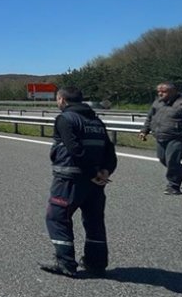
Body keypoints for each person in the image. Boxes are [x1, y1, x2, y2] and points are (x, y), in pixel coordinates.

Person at [40, 87, 118, 278]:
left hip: (70, 180)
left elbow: (74, 148)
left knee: (57, 218)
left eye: (57, 99)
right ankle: (97, 263)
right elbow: (109, 149)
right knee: (94, 220)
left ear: (63, 100)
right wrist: (105, 171)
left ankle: (65, 262)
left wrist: (91, 173)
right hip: (97, 183)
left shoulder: (65, 119)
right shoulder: (96, 121)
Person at [138, 82, 182, 195]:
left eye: (163, 91)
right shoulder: (157, 103)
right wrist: (144, 131)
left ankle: (173, 186)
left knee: (172, 161)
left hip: (177, 137)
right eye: (159, 91)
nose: (160, 93)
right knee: (163, 159)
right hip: (160, 136)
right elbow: (150, 117)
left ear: (173, 91)